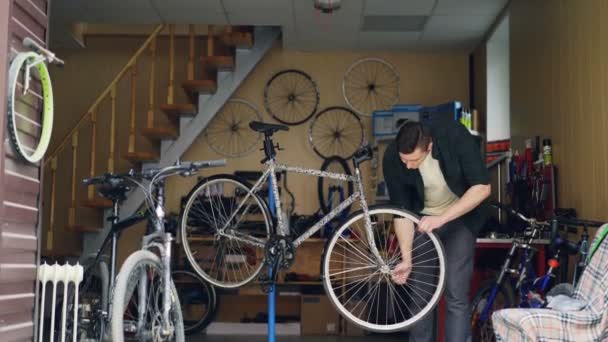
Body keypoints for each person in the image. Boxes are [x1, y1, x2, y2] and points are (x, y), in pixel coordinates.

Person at [382, 119, 491, 342]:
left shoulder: (455, 136)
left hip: (460, 218)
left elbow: (482, 187)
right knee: (421, 296)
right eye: (405, 161)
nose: (408, 167)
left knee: (455, 293)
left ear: (429, 146)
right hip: (422, 221)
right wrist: (407, 259)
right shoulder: (393, 158)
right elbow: (401, 213)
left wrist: (442, 218)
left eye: (414, 161)